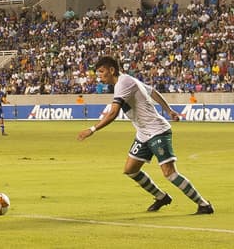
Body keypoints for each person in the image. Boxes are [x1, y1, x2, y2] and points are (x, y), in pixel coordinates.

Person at [76, 56, 213, 215]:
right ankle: (161, 197)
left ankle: (204, 204)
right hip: (143, 134)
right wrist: (169, 110)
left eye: (101, 72)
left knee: (169, 173)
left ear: (111, 70)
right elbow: (153, 92)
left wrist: (92, 129)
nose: (99, 76)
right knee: (130, 170)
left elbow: (113, 113)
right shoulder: (127, 80)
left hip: (157, 131)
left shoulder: (123, 83)